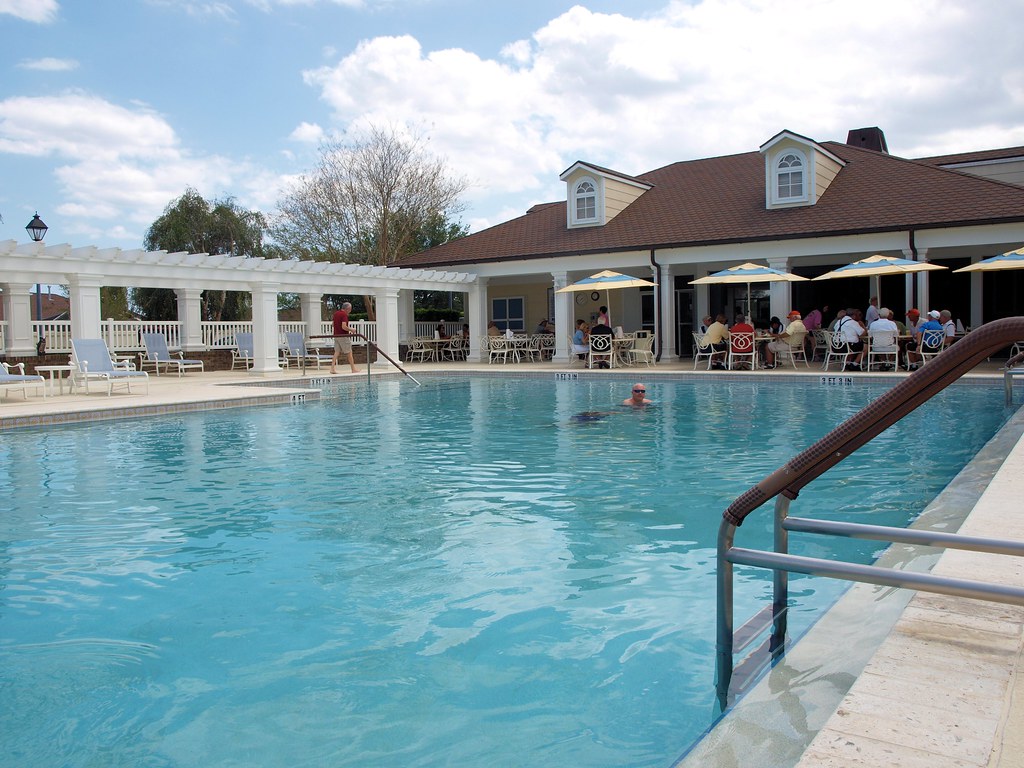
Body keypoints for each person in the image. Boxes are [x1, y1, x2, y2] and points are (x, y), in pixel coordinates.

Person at [331, 301, 358, 374]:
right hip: (343, 336)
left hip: (336, 335)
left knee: (337, 352)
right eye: (350, 309)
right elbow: (344, 327)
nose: (350, 311)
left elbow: (333, 324)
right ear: (348, 308)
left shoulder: (336, 314)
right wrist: (351, 329)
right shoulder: (344, 315)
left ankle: (332, 368)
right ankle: (353, 369)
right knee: (349, 352)